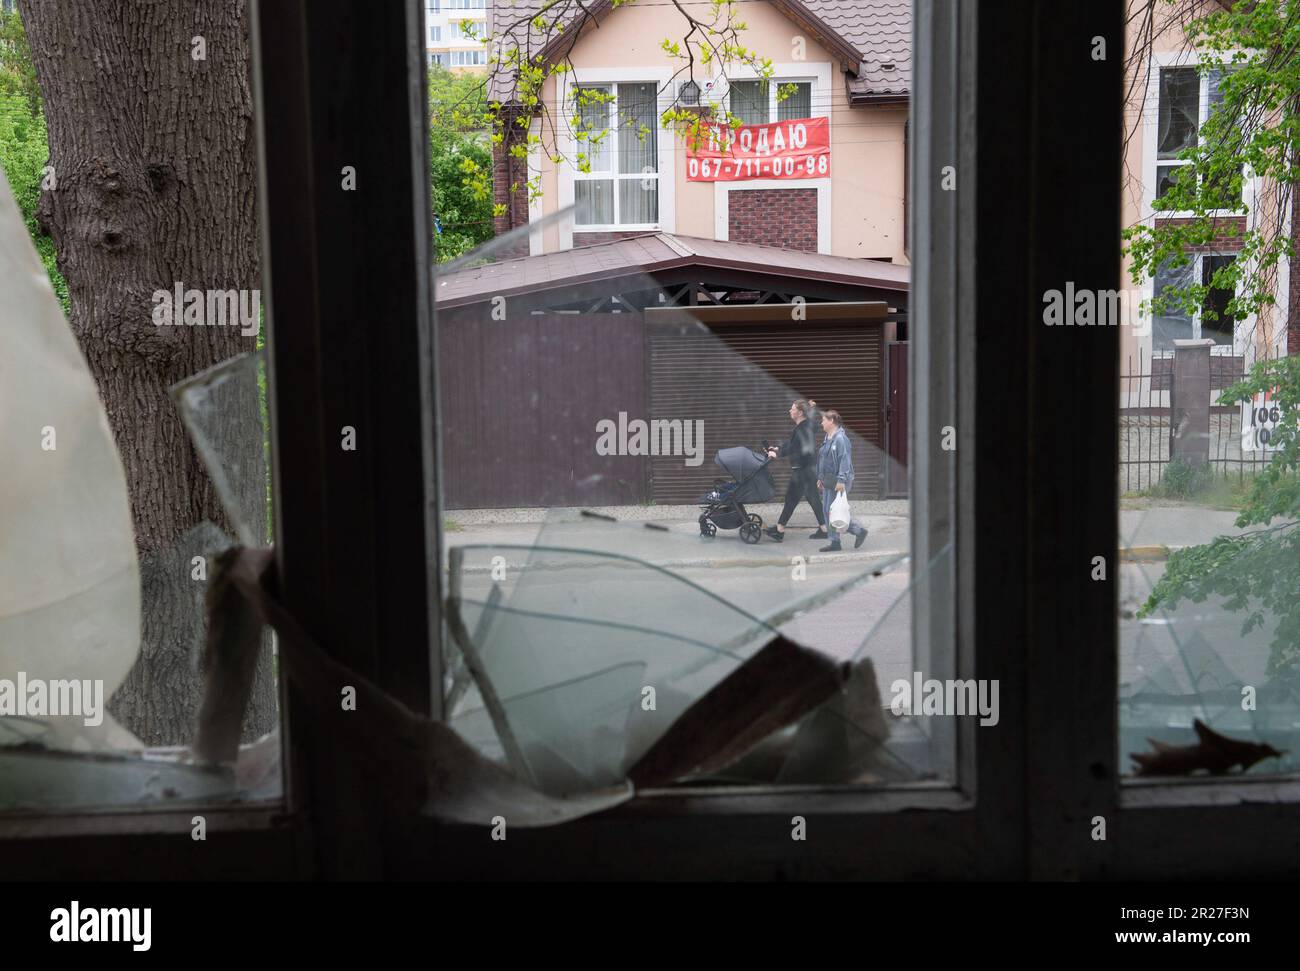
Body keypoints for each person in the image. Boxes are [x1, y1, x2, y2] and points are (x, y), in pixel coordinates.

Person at [764, 399, 827, 542]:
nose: (789, 411)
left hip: (802, 471)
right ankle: (824, 529)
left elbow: (795, 448)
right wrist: (778, 448)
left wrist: (777, 454)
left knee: (791, 499)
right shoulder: (806, 426)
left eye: (792, 409)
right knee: (813, 499)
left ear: (799, 412)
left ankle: (779, 530)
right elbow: (793, 443)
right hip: (808, 469)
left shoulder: (802, 428)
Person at [816, 409, 868, 552]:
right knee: (827, 510)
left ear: (831, 421)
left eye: (823, 420)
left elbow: (844, 460)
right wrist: (820, 478)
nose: (821, 423)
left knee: (834, 511)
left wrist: (841, 480)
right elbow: (823, 459)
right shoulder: (828, 437)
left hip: (839, 479)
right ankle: (836, 540)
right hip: (829, 479)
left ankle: (855, 532)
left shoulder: (840, 439)